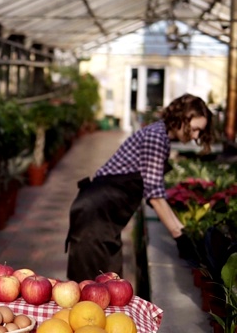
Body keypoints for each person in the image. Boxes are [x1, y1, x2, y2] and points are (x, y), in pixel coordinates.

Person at [65, 93, 213, 282]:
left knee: (106, 287)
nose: (195, 136)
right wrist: (181, 237)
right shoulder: (156, 137)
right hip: (95, 217)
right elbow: (155, 197)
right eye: (194, 129)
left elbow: (154, 190)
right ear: (181, 118)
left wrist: (182, 232)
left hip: (102, 216)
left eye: (200, 132)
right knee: (93, 289)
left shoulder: (159, 134)